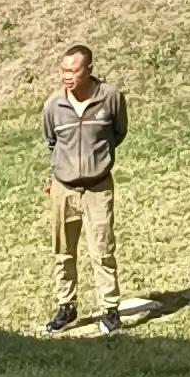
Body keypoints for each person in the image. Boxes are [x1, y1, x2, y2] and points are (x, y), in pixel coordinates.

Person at [42, 39, 127, 334]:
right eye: (63, 70)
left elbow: (118, 132)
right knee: (63, 251)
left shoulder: (110, 98)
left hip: (98, 188)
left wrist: (95, 162)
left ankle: (110, 310)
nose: (67, 76)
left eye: (73, 70)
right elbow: (51, 141)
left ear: (88, 70)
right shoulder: (54, 105)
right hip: (63, 189)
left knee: (102, 249)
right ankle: (67, 308)